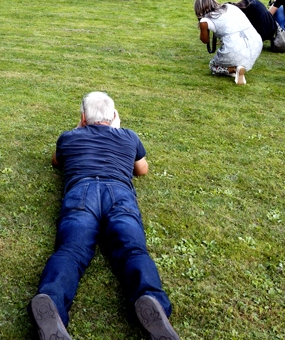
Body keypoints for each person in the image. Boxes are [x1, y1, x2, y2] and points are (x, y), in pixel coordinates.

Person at [31, 92, 180, 340]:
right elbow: (142, 170)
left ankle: (52, 303)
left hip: (81, 192)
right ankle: (152, 301)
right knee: (133, 250)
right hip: (119, 194)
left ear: (83, 117)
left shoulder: (69, 137)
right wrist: (118, 130)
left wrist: (78, 129)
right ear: (113, 116)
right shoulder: (128, 136)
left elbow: (57, 161)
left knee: (70, 251)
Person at [194, 0, 262, 85]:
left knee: (213, 67)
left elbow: (204, 40)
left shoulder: (205, 21)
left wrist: (202, 26)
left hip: (234, 48)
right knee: (237, 54)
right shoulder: (230, 7)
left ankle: (234, 69)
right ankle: (238, 67)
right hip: (256, 42)